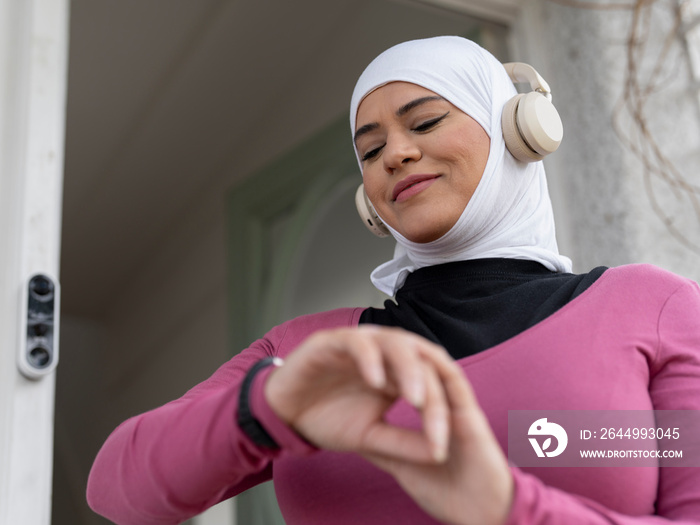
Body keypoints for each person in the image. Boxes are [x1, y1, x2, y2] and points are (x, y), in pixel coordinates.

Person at [87, 36, 700, 524]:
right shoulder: (309, 355)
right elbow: (118, 487)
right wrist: (268, 407)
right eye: (370, 148)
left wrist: (507, 509)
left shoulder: (646, 309)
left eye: (426, 122)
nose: (395, 154)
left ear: (520, 130)